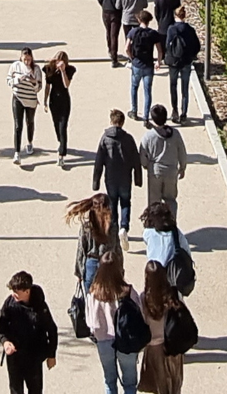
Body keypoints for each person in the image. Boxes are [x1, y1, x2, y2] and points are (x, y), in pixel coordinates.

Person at [0, 271, 58, 394]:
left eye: (17, 292)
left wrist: (51, 354)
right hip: (14, 356)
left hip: (34, 358)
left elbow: (52, 330)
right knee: (15, 386)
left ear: (27, 290)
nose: (14, 295)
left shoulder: (40, 306)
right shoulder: (9, 304)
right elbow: (1, 328)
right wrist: (5, 343)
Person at [85, 251, 141, 394]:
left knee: (109, 379)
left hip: (103, 341)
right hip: (126, 341)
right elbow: (139, 312)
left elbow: (90, 320)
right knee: (130, 383)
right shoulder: (127, 291)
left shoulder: (94, 292)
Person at [139, 261, 184, 394]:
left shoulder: (144, 298)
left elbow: (142, 322)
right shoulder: (173, 294)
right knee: (176, 382)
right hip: (173, 345)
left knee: (163, 384)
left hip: (154, 347)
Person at [93, 108, 142, 252]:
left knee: (112, 203)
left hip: (111, 179)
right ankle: (124, 227)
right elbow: (136, 160)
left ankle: (113, 229)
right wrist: (138, 178)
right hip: (125, 178)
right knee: (126, 203)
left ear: (111, 121)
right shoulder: (128, 139)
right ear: (122, 122)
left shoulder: (105, 138)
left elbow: (99, 161)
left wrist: (96, 182)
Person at [66, 193, 123, 292]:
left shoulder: (87, 227)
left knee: (89, 299)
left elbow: (81, 250)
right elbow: (117, 249)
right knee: (109, 300)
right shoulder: (112, 227)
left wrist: (79, 273)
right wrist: (120, 269)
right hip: (109, 264)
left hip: (91, 264)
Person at [140, 104, 187, 215]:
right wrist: (183, 167)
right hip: (171, 171)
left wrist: (145, 165)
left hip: (155, 172)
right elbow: (182, 151)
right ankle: (171, 224)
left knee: (154, 202)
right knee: (170, 200)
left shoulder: (148, 136)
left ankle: (154, 225)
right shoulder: (175, 134)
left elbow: (143, 154)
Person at [125, 10, 164, 123]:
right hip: (148, 65)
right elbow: (160, 51)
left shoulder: (133, 32)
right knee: (147, 91)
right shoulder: (153, 33)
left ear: (139, 20)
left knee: (134, 87)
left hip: (137, 64)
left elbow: (126, 48)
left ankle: (134, 111)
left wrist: (132, 58)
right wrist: (158, 62)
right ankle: (146, 117)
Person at [165, 6, 200, 123]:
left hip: (174, 62)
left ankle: (174, 110)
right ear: (185, 16)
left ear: (175, 16)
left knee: (173, 86)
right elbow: (197, 46)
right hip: (186, 61)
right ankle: (184, 113)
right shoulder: (190, 29)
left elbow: (167, 45)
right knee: (185, 88)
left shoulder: (171, 29)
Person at [7, 47, 42, 165]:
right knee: (18, 125)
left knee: (30, 122)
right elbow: (8, 80)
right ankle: (17, 153)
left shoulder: (36, 69)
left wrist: (34, 82)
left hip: (31, 100)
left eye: (29, 59)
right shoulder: (15, 66)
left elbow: (39, 88)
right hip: (18, 98)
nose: (26, 61)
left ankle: (30, 142)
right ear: (21, 57)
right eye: (24, 59)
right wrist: (17, 80)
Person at [43, 51, 76, 167]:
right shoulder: (49, 69)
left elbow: (66, 85)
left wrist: (63, 71)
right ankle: (61, 142)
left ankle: (62, 154)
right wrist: (45, 101)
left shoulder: (69, 70)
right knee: (56, 125)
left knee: (63, 127)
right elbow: (47, 86)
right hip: (54, 101)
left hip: (64, 101)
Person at [141, 201, 190, 268]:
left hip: (155, 269)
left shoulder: (147, 233)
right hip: (172, 269)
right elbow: (186, 250)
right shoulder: (176, 232)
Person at [98, 0, 125, 67]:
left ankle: (110, 50)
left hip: (105, 12)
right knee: (114, 35)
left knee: (108, 32)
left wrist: (104, 5)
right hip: (116, 13)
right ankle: (114, 59)